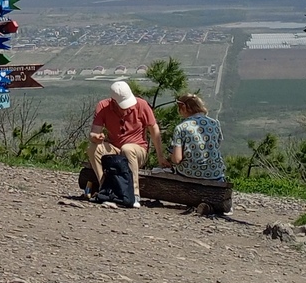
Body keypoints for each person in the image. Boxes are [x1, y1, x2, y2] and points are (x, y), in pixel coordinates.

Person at [85, 79, 158, 208]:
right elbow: (94, 133)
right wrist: (96, 137)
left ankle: (134, 193)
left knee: (127, 149)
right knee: (93, 148)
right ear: (113, 101)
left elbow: (154, 129)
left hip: (137, 150)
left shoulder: (142, 105)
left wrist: (160, 156)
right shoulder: (103, 106)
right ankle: (105, 188)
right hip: (115, 149)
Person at [167, 92, 226, 184]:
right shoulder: (215, 123)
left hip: (189, 173)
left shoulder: (181, 128)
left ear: (184, 108)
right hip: (215, 174)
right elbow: (216, 146)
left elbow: (177, 159)